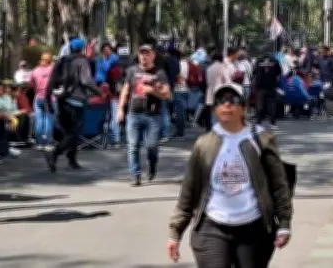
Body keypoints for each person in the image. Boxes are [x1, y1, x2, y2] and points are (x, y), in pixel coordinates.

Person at [167, 83, 293, 267]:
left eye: (232, 100)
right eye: (220, 101)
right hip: (212, 226)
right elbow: (189, 190)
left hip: (253, 228)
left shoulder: (261, 139)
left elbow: (279, 184)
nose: (226, 105)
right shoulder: (204, 143)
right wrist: (175, 232)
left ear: (243, 107)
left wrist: (284, 223)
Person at [116, 43, 172, 186]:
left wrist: (152, 90)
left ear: (153, 56)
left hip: (153, 115)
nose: (144, 57)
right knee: (133, 146)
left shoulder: (159, 73)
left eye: (147, 54)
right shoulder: (132, 71)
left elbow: (167, 94)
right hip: (134, 114)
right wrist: (120, 109)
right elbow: (125, 90)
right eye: (141, 54)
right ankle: (135, 175)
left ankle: (152, 166)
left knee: (151, 146)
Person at [43, 38, 99, 172]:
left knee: (70, 131)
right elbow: (86, 80)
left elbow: (51, 81)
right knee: (73, 132)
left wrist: (48, 100)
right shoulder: (82, 61)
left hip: (61, 100)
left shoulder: (61, 61)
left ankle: (72, 159)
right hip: (76, 100)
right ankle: (55, 153)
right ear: (82, 49)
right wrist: (99, 92)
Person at [253, 51, 282, 130]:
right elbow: (279, 72)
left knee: (260, 105)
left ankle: (259, 122)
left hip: (260, 86)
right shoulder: (275, 61)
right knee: (272, 105)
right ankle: (273, 123)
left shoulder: (259, 60)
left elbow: (254, 72)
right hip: (271, 86)